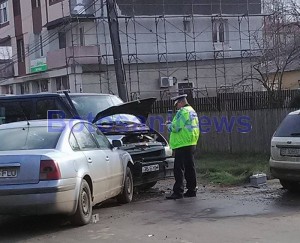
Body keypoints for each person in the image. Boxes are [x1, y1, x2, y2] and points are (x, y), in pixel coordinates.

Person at [165, 94, 200, 200]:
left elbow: (176, 127)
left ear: (180, 103)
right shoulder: (192, 111)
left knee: (179, 168)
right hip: (191, 142)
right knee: (190, 167)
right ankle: (191, 190)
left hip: (182, 143)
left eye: (176, 105)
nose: (176, 107)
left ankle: (178, 191)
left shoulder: (183, 111)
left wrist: (168, 125)